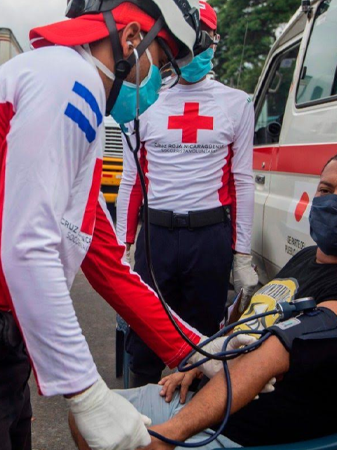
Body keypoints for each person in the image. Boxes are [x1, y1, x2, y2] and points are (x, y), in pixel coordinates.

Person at [0, 2, 258, 449]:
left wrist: (200, 350)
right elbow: (28, 245)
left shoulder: (79, 104)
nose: (157, 80)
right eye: (159, 62)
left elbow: (103, 259)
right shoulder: (67, 79)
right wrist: (87, 391)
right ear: (131, 38)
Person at [73, 147, 337, 448]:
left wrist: (169, 435)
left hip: (246, 434)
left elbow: (271, 355)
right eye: (326, 190)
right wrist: (200, 364)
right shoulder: (308, 258)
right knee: (87, 419)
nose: (333, 203)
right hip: (210, 403)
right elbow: (250, 325)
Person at [116, 0, 258, 387]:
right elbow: (130, 180)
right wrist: (123, 244)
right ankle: (139, 429)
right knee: (143, 340)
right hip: (156, 236)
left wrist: (242, 255)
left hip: (208, 236)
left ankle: (196, 429)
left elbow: (243, 181)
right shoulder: (144, 101)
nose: (194, 51)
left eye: (203, 40)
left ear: (214, 42)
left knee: (206, 342)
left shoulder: (237, 103)